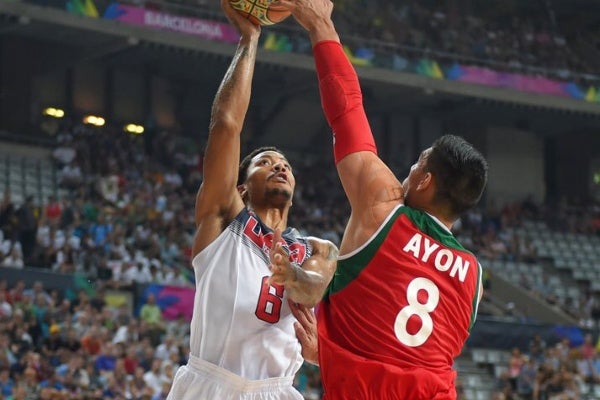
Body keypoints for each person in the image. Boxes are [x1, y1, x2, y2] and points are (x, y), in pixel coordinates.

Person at [279, 0, 489, 398]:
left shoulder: (384, 209)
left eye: (416, 164)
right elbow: (411, 357)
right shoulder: (474, 278)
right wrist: (331, 355)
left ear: (425, 180)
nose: (406, 171)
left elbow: (347, 114)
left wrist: (321, 26)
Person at [166, 1, 338, 399]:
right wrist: (250, 38)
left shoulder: (318, 248)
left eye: (285, 164)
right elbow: (225, 124)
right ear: (242, 187)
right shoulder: (223, 217)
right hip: (210, 383)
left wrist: (292, 276)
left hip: (276, 390)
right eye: (265, 162)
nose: (279, 166)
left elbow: (313, 290)